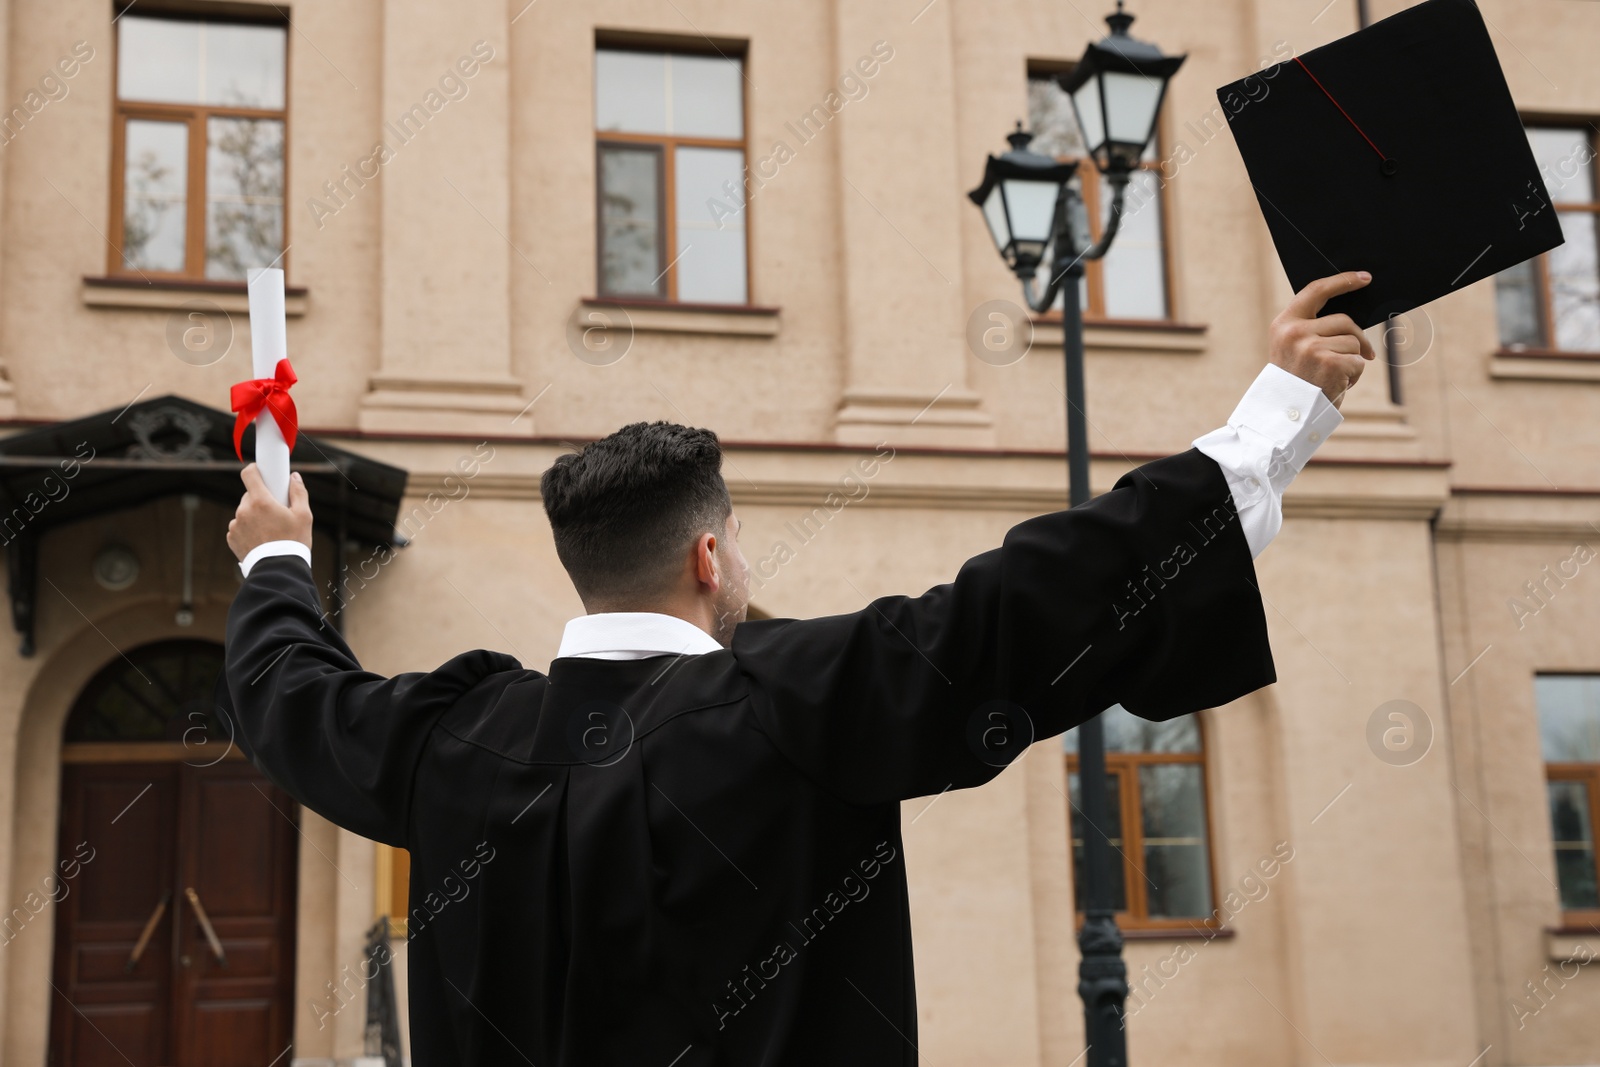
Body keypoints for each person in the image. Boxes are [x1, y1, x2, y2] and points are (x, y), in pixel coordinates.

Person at [219, 271, 1376, 1065]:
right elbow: (1037, 599)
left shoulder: (450, 742)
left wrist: (277, 553)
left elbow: (290, 696)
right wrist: (1280, 412)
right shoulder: (797, 703)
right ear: (708, 553)